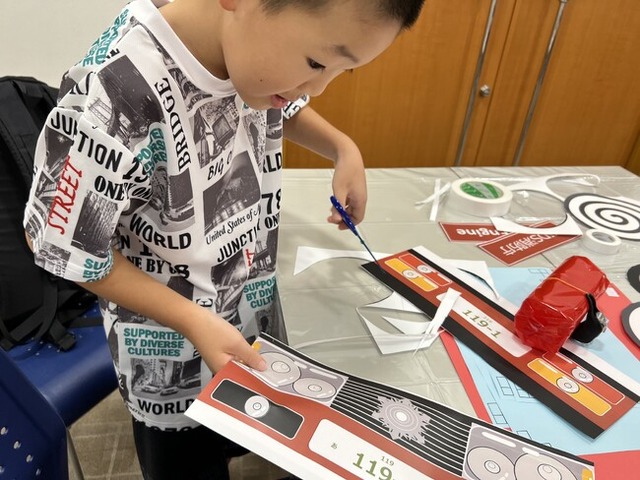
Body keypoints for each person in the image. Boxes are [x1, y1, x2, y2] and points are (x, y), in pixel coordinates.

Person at [24, 0, 426, 478]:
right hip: (170, 356)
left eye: (345, 70)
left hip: (243, 315)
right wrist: (192, 320)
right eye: (317, 62)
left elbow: (286, 105)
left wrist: (343, 147)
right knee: (188, 461)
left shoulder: (251, 56)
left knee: (242, 432)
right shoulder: (116, 91)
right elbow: (61, 244)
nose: (319, 87)